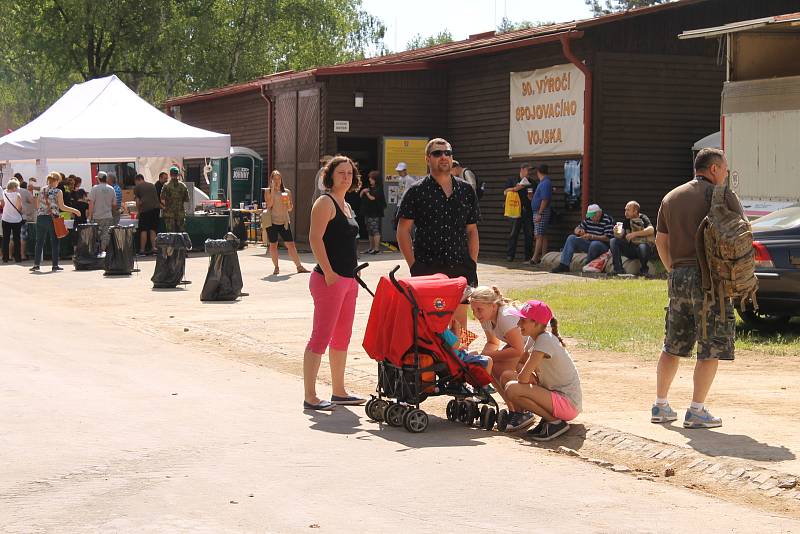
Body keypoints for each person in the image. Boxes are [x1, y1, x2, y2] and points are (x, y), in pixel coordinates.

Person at [651, 148, 744, 429]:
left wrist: (673, 269)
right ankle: (696, 410)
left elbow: (660, 240)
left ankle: (661, 405)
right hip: (710, 281)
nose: (726, 173)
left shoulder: (671, 197)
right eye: (725, 169)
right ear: (714, 169)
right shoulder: (722, 195)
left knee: (673, 344)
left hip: (677, 277)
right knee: (711, 346)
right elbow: (741, 235)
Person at [397, 138, 480, 329]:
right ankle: (434, 359)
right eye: (437, 153)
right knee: (431, 323)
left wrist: (472, 263)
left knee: (460, 325)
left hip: (461, 266)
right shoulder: (416, 191)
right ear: (428, 159)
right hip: (428, 268)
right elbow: (403, 230)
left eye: (447, 153)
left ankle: (459, 358)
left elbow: (472, 230)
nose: (443, 157)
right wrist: (414, 265)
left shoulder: (466, 190)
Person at [303, 155, 365, 411]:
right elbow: (315, 238)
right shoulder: (324, 202)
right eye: (341, 172)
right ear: (330, 175)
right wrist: (329, 272)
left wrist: (353, 275)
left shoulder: (347, 205)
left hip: (348, 280)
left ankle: (339, 390)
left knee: (342, 337)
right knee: (321, 336)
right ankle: (310, 395)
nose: (346, 177)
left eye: (349, 173)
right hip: (329, 279)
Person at [505, 300, 583, 441]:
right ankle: (546, 419)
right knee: (507, 376)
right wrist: (530, 376)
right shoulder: (533, 338)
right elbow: (520, 364)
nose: (518, 324)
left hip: (568, 404)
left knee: (512, 388)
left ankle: (554, 422)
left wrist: (528, 376)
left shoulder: (544, 340)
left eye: (523, 321)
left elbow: (522, 378)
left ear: (536, 323)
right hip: (554, 396)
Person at [469, 286, 536, 431]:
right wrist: (483, 359)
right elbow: (493, 343)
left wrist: (487, 356)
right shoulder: (486, 318)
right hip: (523, 347)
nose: (475, 314)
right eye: (473, 310)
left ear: (493, 306)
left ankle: (523, 412)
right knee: (490, 365)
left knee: (500, 369)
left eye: (479, 309)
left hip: (537, 347)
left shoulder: (505, 316)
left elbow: (518, 350)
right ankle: (514, 410)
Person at [30, 173, 80, 272]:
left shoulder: (42, 189)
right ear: (56, 181)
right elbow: (62, 207)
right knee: (55, 241)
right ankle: (55, 265)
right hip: (52, 218)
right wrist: (75, 211)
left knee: (39, 242)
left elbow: (37, 204)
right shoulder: (58, 191)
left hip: (40, 218)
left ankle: (36, 264)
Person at [263, 170, 309, 275]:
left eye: (278, 178)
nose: (277, 181)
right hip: (272, 221)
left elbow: (290, 208)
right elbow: (269, 205)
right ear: (271, 180)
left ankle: (299, 266)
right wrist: (273, 191)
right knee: (273, 245)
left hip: (284, 221)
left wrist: (288, 204)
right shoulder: (268, 191)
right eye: (274, 178)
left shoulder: (287, 192)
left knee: (291, 245)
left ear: (281, 179)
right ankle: (276, 267)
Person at [551, 203, 614, 273]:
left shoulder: (607, 219)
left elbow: (608, 238)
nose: (591, 218)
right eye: (590, 216)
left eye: (593, 216)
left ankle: (588, 264)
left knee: (595, 243)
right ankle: (564, 265)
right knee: (571, 238)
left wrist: (591, 236)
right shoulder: (588, 219)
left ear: (599, 213)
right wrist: (578, 231)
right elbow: (577, 228)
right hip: (589, 244)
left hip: (602, 247)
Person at [610, 200, 655, 276]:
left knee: (642, 246)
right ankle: (618, 269)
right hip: (631, 249)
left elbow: (651, 230)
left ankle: (644, 270)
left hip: (644, 249)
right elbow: (620, 235)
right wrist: (616, 232)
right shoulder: (627, 220)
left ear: (635, 211)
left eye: (628, 210)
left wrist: (634, 234)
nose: (625, 212)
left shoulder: (643, 217)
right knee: (613, 241)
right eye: (625, 210)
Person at [503, 162, 533, 262]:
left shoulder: (532, 182)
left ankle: (528, 257)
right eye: (528, 170)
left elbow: (536, 195)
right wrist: (515, 189)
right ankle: (510, 256)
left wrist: (531, 197)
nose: (530, 173)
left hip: (527, 211)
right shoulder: (512, 179)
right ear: (522, 170)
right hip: (515, 211)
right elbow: (505, 192)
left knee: (529, 234)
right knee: (513, 233)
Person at [88, 171, 117, 253]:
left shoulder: (95, 188)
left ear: (98, 179)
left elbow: (91, 203)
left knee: (96, 235)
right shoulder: (111, 189)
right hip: (108, 216)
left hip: (97, 216)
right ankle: (104, 251)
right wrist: (112, 213)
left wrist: (90, 215)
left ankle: (97, 253)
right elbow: (114, 204)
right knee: (106, 235)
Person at [530, 164, 553, 265]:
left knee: (538, 235)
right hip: (540, 211)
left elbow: (545, 199)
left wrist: (539, 213)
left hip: (541, 212)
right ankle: (543, 258)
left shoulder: (545, 183)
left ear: (538, 172)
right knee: (543, 235)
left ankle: (535, 258)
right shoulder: (544, 182)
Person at [359, 170, 386, 255]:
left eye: (371, 179)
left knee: (375, 230)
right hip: (368, 212)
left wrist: (366, 192)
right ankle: (371, 248)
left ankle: (377, 249)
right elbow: (360, 195)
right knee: (369, 230)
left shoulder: (379, 188)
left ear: (376, 179)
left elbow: (372, 198)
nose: (370, 180)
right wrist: (363, 191)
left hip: (375, 213)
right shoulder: (370, 187)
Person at [133, 174, 160, 255]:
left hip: (145, 210)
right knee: (153, 229)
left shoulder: (137, 187)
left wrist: (139, 212)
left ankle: (142, 250)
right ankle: (154, 248)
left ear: (137, 180)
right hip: (156, 209)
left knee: (143, 229)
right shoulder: (152, 185)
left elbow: (138, 202)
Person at [160, 166, 189, 232]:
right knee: (181, 233)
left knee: (170, 234)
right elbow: (186, 200)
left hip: (169, 214)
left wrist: (168, 205)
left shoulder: (166, 186)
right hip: (180, 213)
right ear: (178, 174)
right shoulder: (183, 186)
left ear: (170, 174)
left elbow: (162, 199)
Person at [1, 179, 24, 262]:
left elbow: (2, 204)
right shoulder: (17, 195)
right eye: (17, 186)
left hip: (5, 218)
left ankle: (5, 258)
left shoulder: (3, 193)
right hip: (16, 220)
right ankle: (18, 258)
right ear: (14, 187)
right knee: (16, 239)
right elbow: (19, 207)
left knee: (5, 239)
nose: (17, 188)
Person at [18, 177, 35, 261]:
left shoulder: (8, 191)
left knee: (11, 237)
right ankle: (22, 255)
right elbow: (33, 203)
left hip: (11, 217)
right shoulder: (26, 192)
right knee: (23, 237)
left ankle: (9, 255)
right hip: (23, 217)